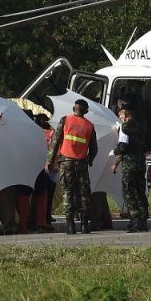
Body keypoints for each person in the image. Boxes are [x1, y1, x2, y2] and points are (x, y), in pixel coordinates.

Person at [46, 99, 97, 234]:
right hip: (82, 163)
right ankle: (85, 225)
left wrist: (49, 161)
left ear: (74, 108)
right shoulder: (89, 126)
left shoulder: (65, 120)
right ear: (86, 111)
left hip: (66, 162)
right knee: (84, 193)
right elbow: (94, 148)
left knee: (68, 192)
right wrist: (90, 160)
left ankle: (70, 226)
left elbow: (55, 142)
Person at [113, 104, 151, 232]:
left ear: (126, 114)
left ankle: (136, 221)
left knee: (129, 193)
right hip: (140, 163)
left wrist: (115, 150)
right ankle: (143, 220)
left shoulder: (125, 127)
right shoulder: (141, 126)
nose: (119, 116)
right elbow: (149, 143)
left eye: (120, 113)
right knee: (140, 192)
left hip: (129, 164)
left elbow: (123, 146)